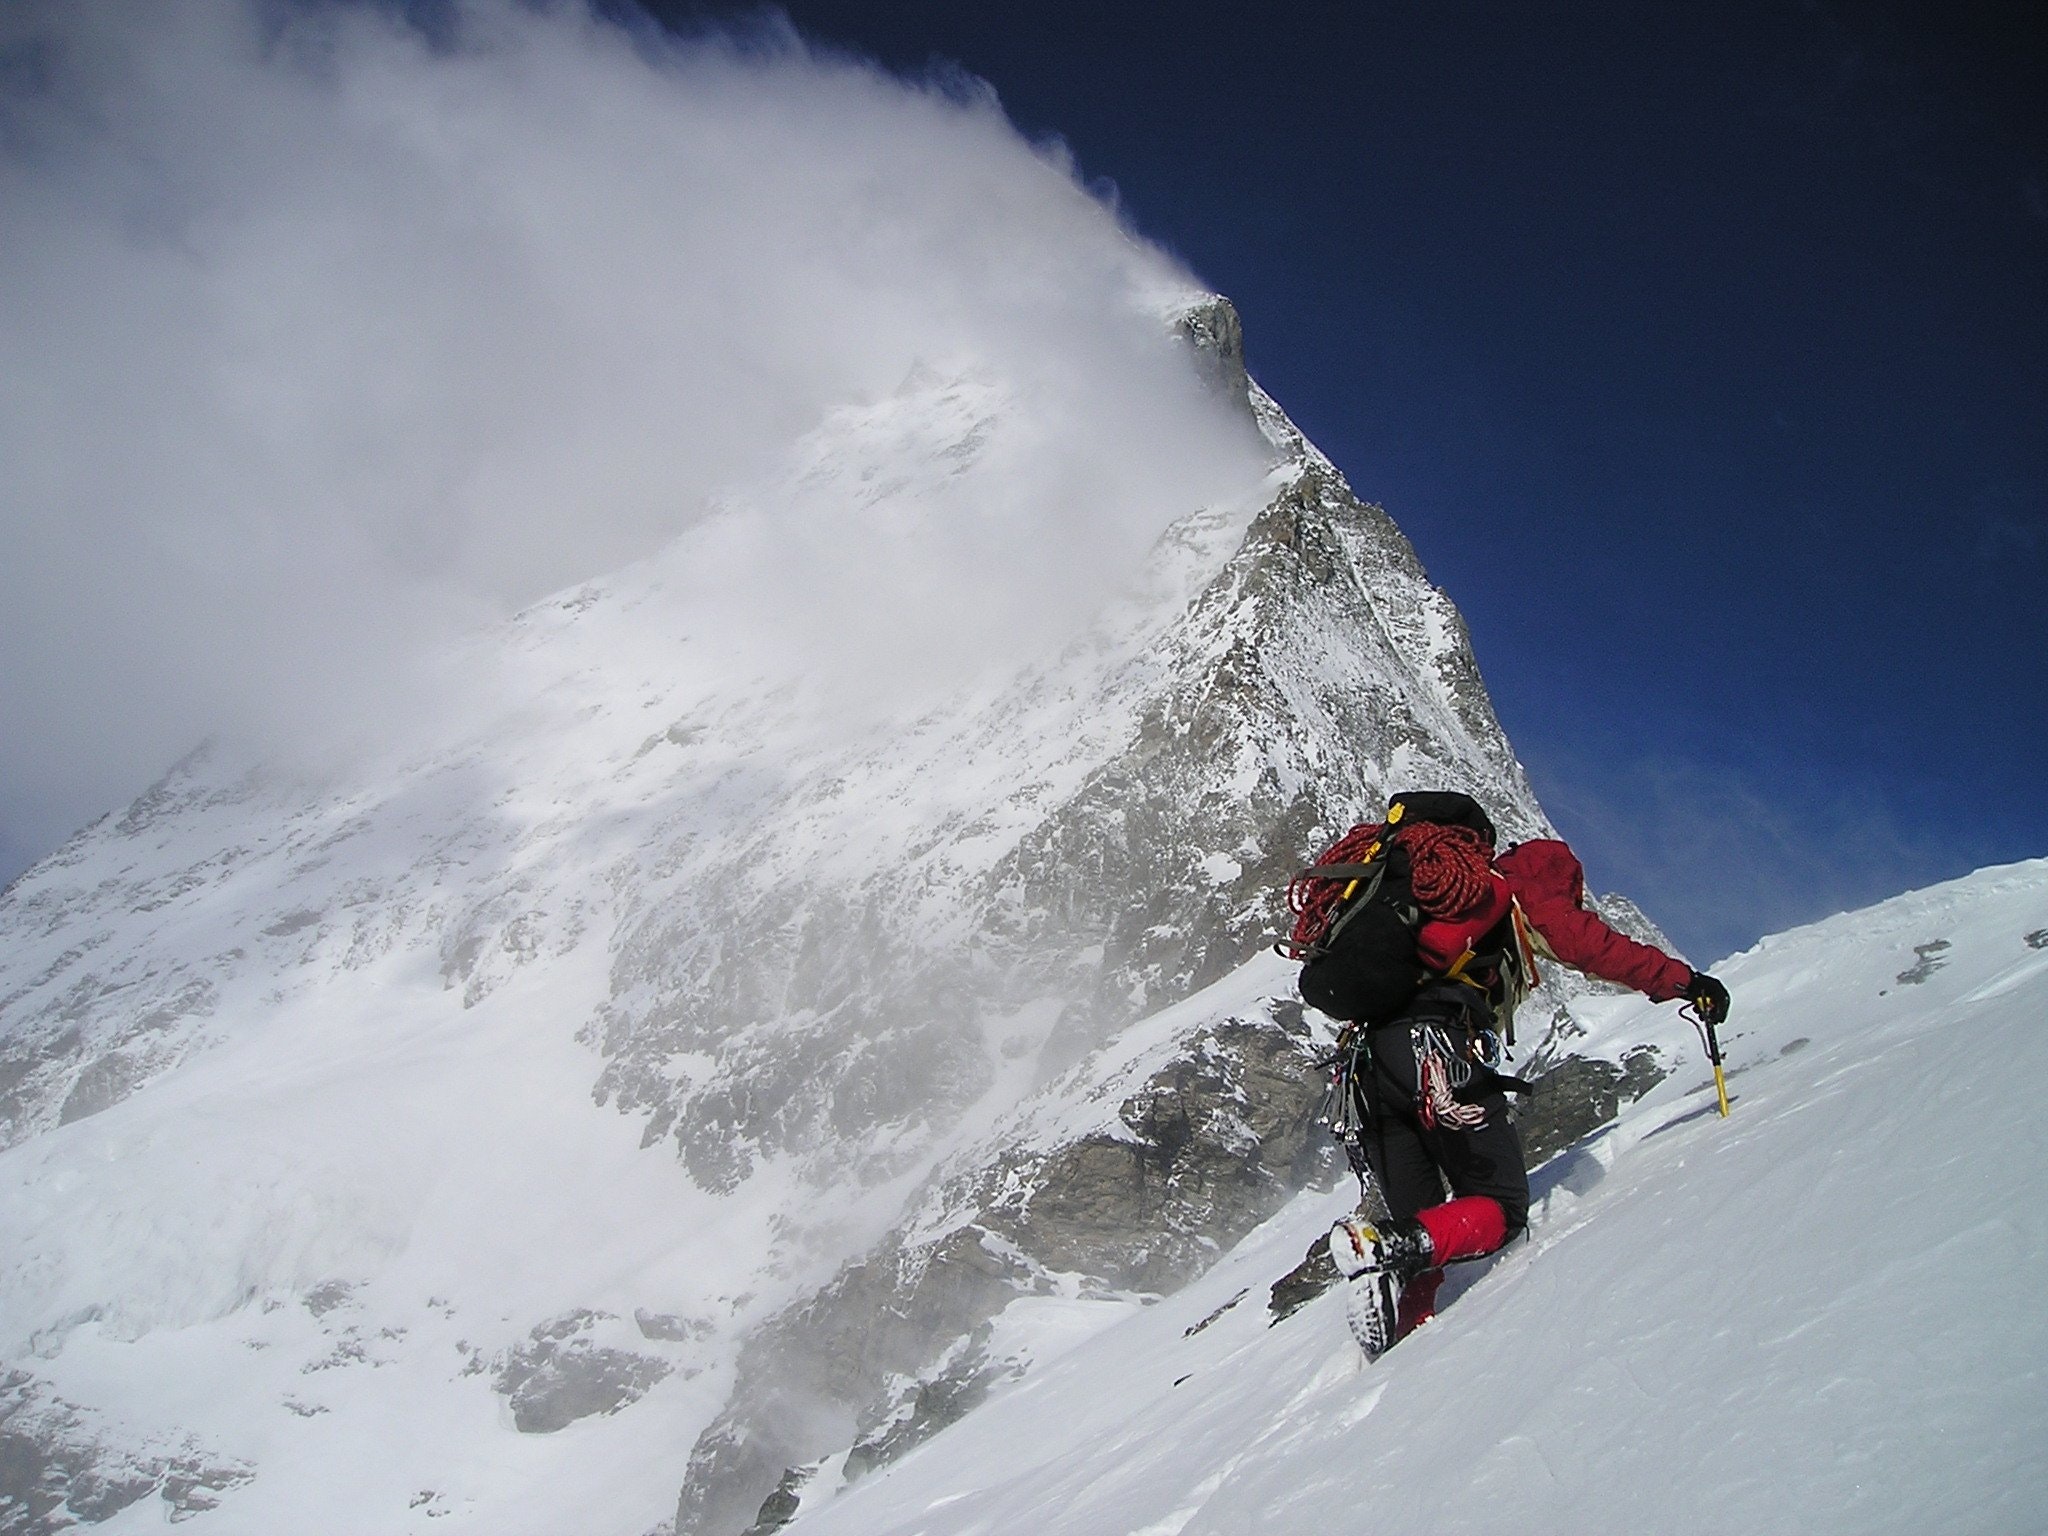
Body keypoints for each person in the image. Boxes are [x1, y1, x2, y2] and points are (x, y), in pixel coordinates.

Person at [1319, 804, 1731, 1354]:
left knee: (1426, 1223)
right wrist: (1686, 983)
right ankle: (1382, 1246)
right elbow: (1594, 948)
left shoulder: (1423, 902)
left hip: (1364, 1071)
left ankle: (1404, 1344)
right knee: (1502, 1207)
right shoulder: (1517, 888)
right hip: (1432, 1053)